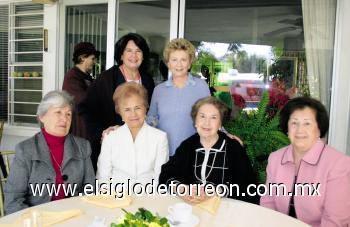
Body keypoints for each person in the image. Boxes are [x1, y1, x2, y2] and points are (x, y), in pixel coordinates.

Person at [260, 97, 350, 227]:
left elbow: (335, 221)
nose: (299, 130)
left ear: (319, 129)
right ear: (287, 128)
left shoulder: (338, 164)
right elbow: (267, 203)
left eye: (307, 123)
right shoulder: (275, 159)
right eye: (294, 123)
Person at [4, 90, 95, 214]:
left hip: (74, 216)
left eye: (68, 114)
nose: (64, 119)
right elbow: (13, 200)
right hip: (37, 220)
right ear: (42, 117)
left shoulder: (82, 147)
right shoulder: (25, 150)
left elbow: (90, 190)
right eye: (58, 112)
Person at [159, 96, 258, 204]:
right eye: (202, 116)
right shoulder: (187, 146)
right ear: (195, 121)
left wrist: (217, 192)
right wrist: (181, 189)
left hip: (226, 210)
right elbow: (166, 175)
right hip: (191, 207)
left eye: (213, 117)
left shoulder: (233, 148)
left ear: (220, 124)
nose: (207, 123)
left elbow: (248, 186)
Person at [80, 33, 155, 171]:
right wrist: (102, 133)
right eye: (129, 51)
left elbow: (150, 112)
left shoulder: (148, 81)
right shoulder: (106, 79)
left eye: (138, 51)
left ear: (143, 56)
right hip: (114, 148)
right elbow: (85, 109)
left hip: (141, 147)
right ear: (121, 55)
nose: (134, 55)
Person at [96, 82, 168, 187]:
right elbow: (103, 177)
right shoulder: (110, 138)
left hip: (149, 198)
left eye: (137, 108)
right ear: (120, 112)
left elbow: (160, 178)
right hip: (116, 198)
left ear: (145, 108)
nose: (133, 114)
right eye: (127, 109)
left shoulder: (160, 138)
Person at [147, 38, 210, 156]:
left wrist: (226, 135)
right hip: (164, 153)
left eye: (183, 59)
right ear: (168, 63)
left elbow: (212, 117)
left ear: (190, 62)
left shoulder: (201, 86)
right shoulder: (159, 90)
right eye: (174, 60)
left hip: (193, 154)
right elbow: (150, 120)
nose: (179, 64)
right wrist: (125, 129)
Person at [62, 42, 100, 139]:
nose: (94, 62)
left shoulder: (87, 76)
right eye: (92, 58)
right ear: (82, 57)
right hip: (79, 128)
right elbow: (83, 100)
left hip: (89, 125)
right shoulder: (72, 76)